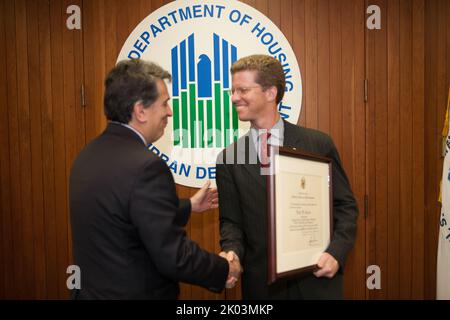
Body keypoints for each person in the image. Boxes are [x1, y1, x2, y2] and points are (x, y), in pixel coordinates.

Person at [69, 59, 239, 299]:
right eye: (165, 103)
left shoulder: (87, 155)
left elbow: (124, 213)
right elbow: (174, 256)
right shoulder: (146, 167)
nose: (170, 111)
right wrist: (224, 269)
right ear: (140, 111)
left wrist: (189, 205)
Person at [216, 54, 359, 299]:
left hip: (318, 282)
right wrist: (232, 254)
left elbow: (345, 206)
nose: (234, 97)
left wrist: (336, 252)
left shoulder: (317, 144)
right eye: (232, 90)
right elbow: (231, 223)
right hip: (262, 289)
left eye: (242, 90)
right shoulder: (229, 158)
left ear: (271, 93)